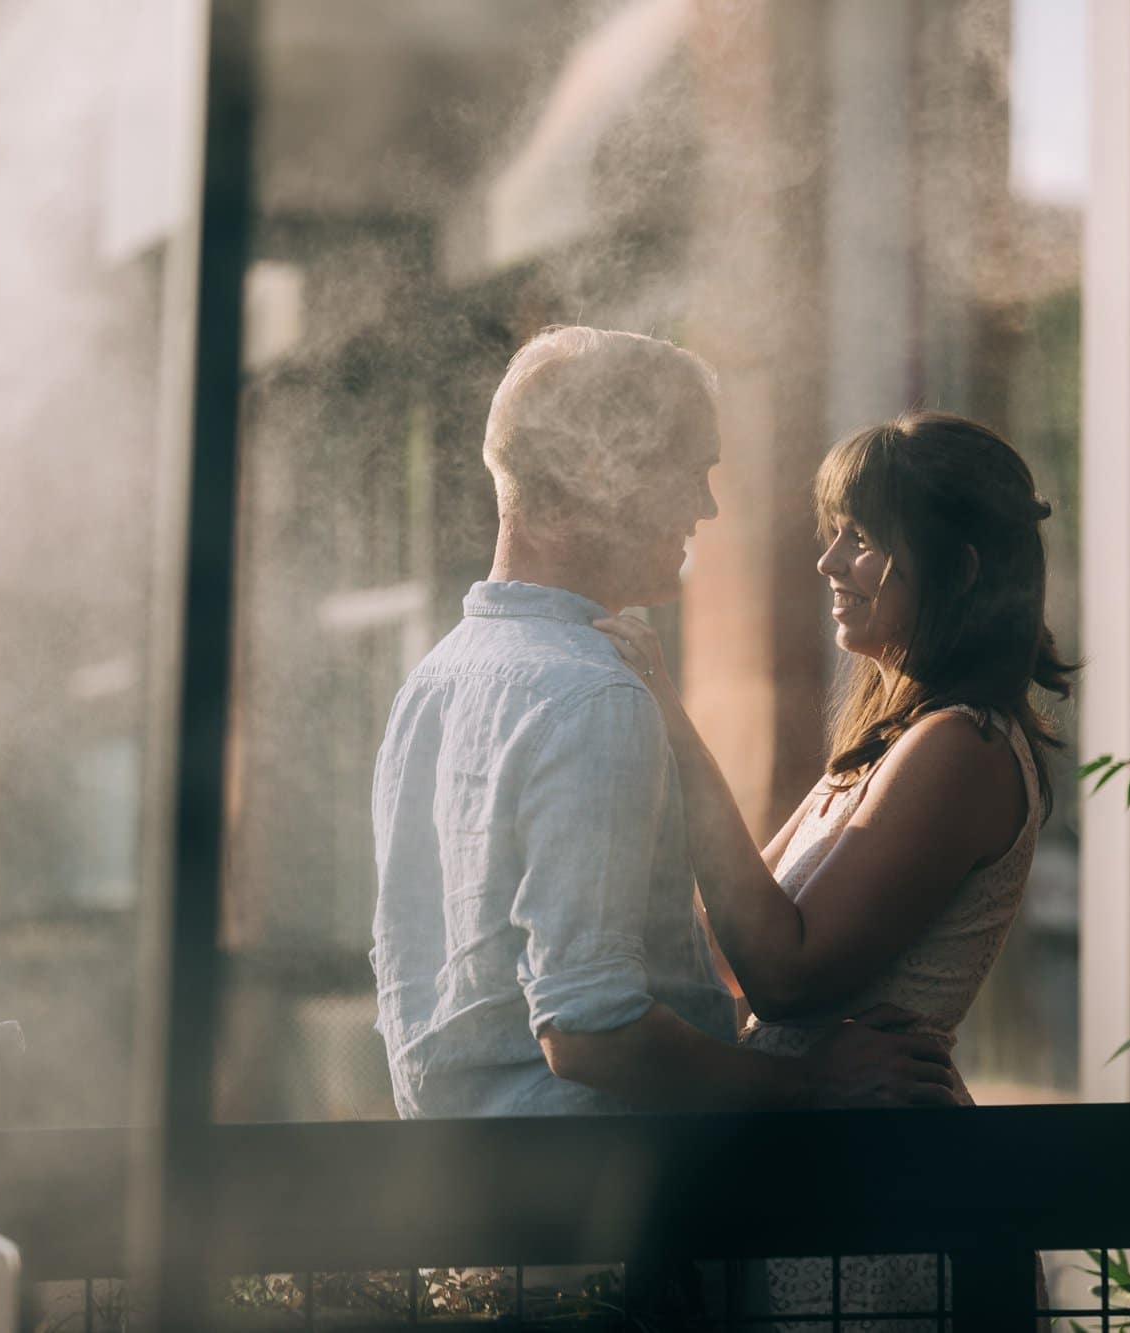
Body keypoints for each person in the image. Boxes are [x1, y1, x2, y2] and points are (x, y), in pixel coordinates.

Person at [370, 326, 956, 1118]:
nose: (707, 505)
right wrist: (816, 1081)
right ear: (594, 469)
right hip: (599, 1220)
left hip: (474, 1211)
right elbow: (590, 1031)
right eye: (690, 471)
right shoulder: (591, 696)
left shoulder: (433, 682)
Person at [598, 409, 1076, 1326]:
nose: (828, 565)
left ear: (959, 568)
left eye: (860, 540)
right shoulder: (886, 746)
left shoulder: (962, 747)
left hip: (882, 1204)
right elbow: (731, 952)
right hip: (819, 1181)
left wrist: (668, 713)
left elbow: (782, 974)